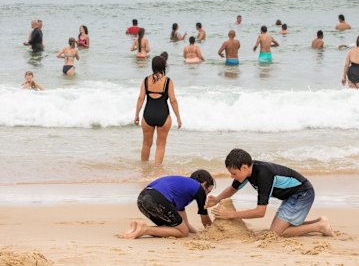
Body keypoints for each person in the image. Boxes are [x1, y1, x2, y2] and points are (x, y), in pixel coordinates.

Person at [206, 149, 334, 238]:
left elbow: (260, 212)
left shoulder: (264, 175)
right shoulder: (247, 173)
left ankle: (320, 226)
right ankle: (319, 221)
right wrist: (217, 199)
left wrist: (231, 215)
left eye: (233, 173)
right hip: (291, 196)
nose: (231, 176)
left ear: (244, 167)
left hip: (302, 194)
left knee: (277, 233)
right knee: (277, 229)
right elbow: (232, 189)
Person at [123, 170, 214, 239]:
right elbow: (205, 220)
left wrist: (197, 233)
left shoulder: (181, 190)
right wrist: (214, 231)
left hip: (142, 198)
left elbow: (185, 225)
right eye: (208, 191)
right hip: (157, 198)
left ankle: (135, 228)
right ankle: (145, 229)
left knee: (172, 228)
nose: (206, 195)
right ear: (204, 184)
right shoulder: (199, 188)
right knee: (183, 233)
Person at [134, 56, 181, 166]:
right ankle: (156, 170)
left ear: (152, 66)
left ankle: (144, 170)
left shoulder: (146, 80)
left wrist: (136, 115)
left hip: (148, 115)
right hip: (163, 116)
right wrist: (178, 118)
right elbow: (173, 100)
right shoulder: (168, 81)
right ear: (164, 66)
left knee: (146, 144)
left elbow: (141, 98)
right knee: (161, 145)